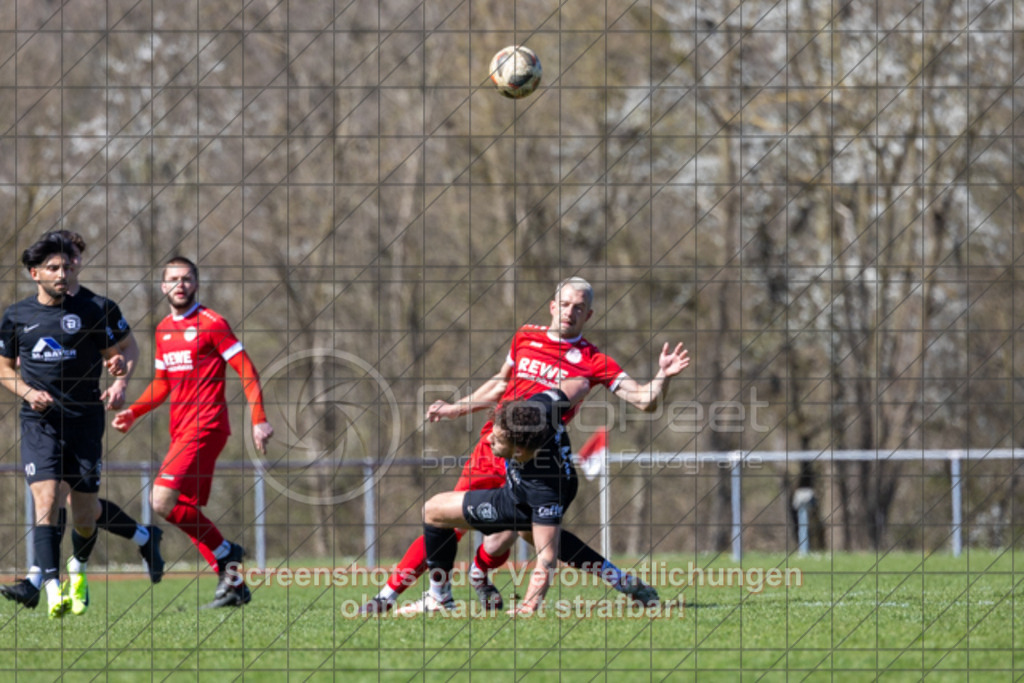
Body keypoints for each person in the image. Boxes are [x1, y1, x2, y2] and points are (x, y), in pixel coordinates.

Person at [362, 276, 690, 613]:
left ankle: (475, 581)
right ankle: (395, 596)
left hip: (536, 461)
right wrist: (456, 408)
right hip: (495, 448)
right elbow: (499, 385)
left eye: (579, 308)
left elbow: (644, 400)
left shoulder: (593, 361)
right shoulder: (525, 337)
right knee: (451, 520)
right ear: (553, 306)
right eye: (565, 304)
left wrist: (662, 376)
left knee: (532, 536)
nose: (570, 312)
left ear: (589, 315)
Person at [1, 231, 165, 614]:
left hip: (85, 420)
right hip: (40, 422)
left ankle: (79, 567)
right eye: (53, 267)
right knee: (46, 499)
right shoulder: (16, 316)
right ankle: (49, 588)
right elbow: (4, 368)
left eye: (67, 265)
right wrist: (27, 392)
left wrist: (119, 374)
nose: (63, 273)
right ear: (34, 273)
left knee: (86, 516)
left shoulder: (93, 308)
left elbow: (120, 352)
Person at [112, 256, 274, 608]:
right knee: (182, 507)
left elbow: (247, 370)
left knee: (161, 500)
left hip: (207, 424)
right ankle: (233, 583)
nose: (180, 285)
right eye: (173, 279)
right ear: (163, 286)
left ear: (196, 284)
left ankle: (226, 554)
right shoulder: (162, 330)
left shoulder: (212, 323)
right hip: (181, 429)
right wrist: (134, 411)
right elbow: (162, 384)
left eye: (186, 279)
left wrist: (258, 419)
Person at [416, 385, 595, 614]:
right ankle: (442, 596)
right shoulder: (540, 407)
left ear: (519, 451)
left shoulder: (543, 489)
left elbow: (547, 558)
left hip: (517, 502)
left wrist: (528, 606)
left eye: (498, 439)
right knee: (434, 510)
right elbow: (580, 383)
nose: (489, 438)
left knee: (523, 540)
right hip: (512, 492)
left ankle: (449, 592)